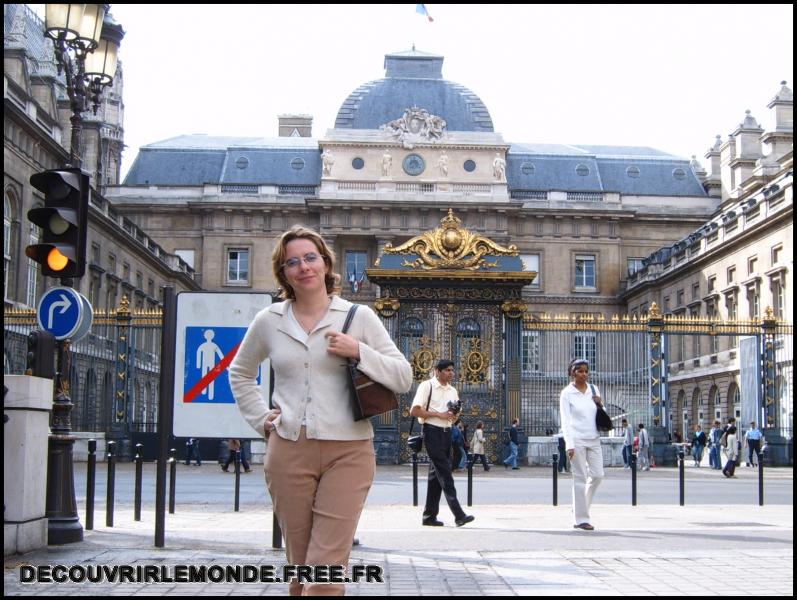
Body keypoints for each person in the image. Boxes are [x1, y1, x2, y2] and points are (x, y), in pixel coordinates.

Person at [229, 225, 412, 596]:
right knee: (300, 565)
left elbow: (403, 376)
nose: (304, 267)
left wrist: (358, 350)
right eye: (292, 262)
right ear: (284, 273)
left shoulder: (358, 317)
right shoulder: (270, 320)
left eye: (311, 258)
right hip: (288, 449)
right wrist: (262, 419)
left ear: (326, 264)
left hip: (349, 451)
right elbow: (240, 372)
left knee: (325, 568)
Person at [410, 359, 475, 528]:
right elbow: (414, 410)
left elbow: (453, 413)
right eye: (447, 370)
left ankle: (429, 516)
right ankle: (458, 514)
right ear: (437, 371)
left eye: (452, 370)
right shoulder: (427, 386)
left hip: (447, 433)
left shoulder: (453, 390)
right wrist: (439, 415)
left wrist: (454, 414)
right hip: (431, 432)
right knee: (445, 473)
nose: (451, 373)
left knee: (435, 476)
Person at [559, 358, 604, 531]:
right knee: (580, 478)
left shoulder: (593, 389)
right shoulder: (567, 393)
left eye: (586, 371)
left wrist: (600, 403)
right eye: (580, 371)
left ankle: (579, 506)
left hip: (593, 438)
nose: (584, 374)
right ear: (572, 373)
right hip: (576, 439)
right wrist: (568, 444)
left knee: (598, 475)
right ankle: (581, 519)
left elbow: (600, 414)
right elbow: (565, 420)